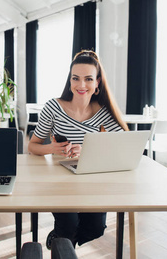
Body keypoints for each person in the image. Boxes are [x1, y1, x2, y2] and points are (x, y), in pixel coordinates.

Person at [28, 50, 129, 249]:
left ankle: (60, 240)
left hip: (90, 179)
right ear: (70, 80)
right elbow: (32, 146)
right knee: (68, 224)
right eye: (76, 78)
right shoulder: (53, 107)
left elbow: (124, 146)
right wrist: (51, 148)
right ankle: (62, 243)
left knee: (96, 228)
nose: (81, 85)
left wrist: (88, 150)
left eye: (88, 79)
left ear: (97, 83)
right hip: (58, 181)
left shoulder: (103, 112)